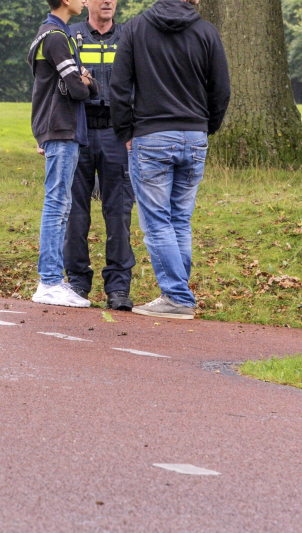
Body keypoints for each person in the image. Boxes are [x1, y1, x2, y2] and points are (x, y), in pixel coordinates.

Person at [110, 0, 230, 319]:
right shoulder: (206, 32)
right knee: (180, 219)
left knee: (157, 221)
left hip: (151, 135)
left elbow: (119, 85)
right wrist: (206, 126)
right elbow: (221, 89)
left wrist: (125, 131)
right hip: (194, 135)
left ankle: (177, 296)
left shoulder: (136, 28)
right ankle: (177, 294)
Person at [65, 0, 135, 312]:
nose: (107, 1)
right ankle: (77, 283)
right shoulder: (70, 36)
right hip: (78, 132)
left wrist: (135, 131)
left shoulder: (129, 36)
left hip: (117, 135)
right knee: (75, 213)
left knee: (119, 213)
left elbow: (141, 84)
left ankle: (118, 287)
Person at [28, 0, 99, 308]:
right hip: (62, 127)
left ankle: (53, 280)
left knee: (60, 203)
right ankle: (49, 281)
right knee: (57, 204)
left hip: (59, 127)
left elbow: (79, 85)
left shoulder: (53, 34)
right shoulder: (56, 37)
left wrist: (85, 82)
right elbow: (79, 89)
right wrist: (86, 80)